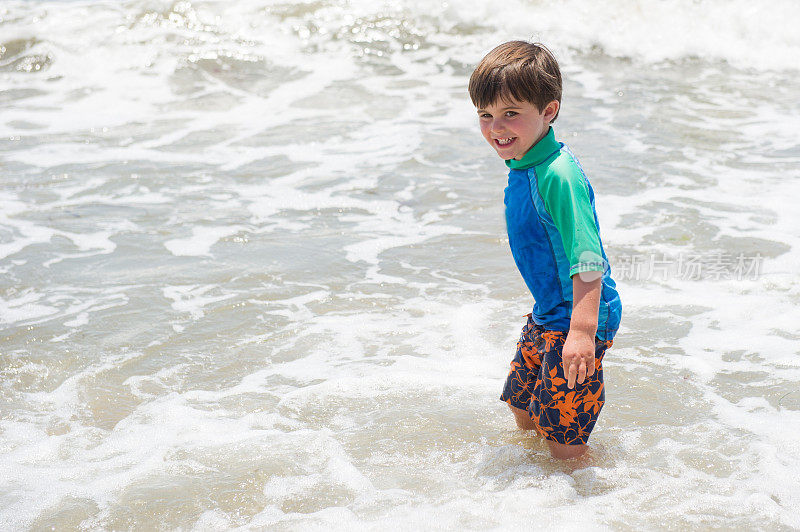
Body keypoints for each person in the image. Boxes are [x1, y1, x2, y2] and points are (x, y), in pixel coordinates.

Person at [468, 41, 622, 460]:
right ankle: (535, 482)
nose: (496, 127)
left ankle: (580, 498)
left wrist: (582, 332)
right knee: (522, 406)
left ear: (548, 111)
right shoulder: (524, 164)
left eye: (511, 114)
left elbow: (588, 259)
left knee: (563, 439)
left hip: (578, 316)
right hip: (549, 310)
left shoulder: (558, 175)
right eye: (486, 115)